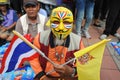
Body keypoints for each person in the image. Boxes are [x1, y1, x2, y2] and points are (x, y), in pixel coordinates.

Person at [29, 6, 84, 80]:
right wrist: (42, 76)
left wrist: (72, 71)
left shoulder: (77, 41)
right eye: (56, 22)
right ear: (50, 22)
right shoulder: (40, 38)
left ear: (72, 24)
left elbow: (83, 64)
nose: (61, 27)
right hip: (45, 76)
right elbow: (33, 58)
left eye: (66, 22)